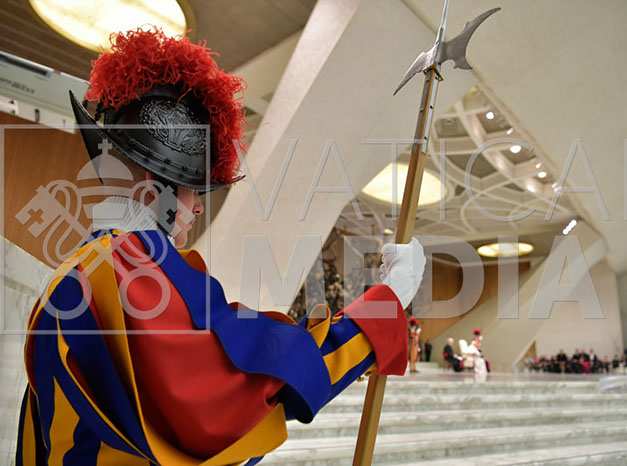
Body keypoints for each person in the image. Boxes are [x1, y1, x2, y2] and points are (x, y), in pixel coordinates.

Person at [16, 28, 426, 465]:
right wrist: (388, 302)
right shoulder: (130, 270)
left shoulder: (73, 272)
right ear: (158, 184)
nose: (197, 207)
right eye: (193, 189)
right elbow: (252, 386)